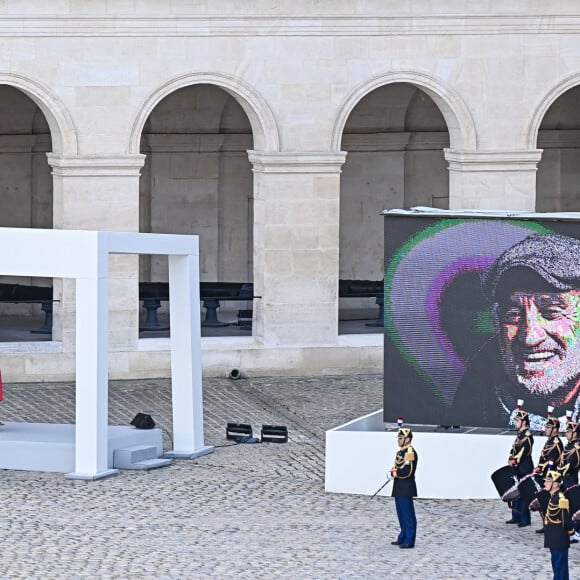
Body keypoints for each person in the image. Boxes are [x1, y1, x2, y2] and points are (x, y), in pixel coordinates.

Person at [451, 233, 580, 429]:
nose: (530, 337)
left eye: (551, 312)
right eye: (513, 315)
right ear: (497, 322)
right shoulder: (474, 395)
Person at [534, 406, 564, 534]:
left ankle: (551, 525)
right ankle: (546, 524)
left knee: (549, 502)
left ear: (555, 429)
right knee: (544, 501)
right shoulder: (549, 441)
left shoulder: (556, 443)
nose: (546, 429)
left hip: (551, 476)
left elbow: (552, 460)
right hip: (544, 474)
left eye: (548, 428)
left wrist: (541, 468)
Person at [390, 419, 418, 549]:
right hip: (399, 487)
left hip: (406, 486)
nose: (398, 440)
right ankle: (403, 536)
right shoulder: (401, 452)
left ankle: (409, 539)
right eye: (399, 438)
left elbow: (408, 470)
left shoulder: (410, 452)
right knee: (401, 514)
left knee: (407, 514)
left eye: (401, 438)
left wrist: (396, 473)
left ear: (407, 439)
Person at [506, 401, 534, 527]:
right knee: (516, 493)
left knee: (524, 494)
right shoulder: (519, 435)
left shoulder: (527, 436)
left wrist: (514, 460)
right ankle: (516, 516)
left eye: (518, 421)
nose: (516, 423)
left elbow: (523, 451)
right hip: (517, 468)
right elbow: (514, 449)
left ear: (524, 422)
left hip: (524, 468)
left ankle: (525, 519)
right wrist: (510, 458)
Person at [543, 467, 574, 580]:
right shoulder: (552, 497)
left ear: (555, 484)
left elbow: (565, 519)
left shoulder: (560, 498)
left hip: (559, 536)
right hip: (553, 536)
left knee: (560, 565)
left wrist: (571, 531)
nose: (545, 483)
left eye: (548, 481)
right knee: (556, 563)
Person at [558, 412, 580, 541]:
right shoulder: (569, 446)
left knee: (574, 506)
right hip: (565, 479)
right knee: (566, 506)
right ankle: (570, 529)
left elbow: (570, 464)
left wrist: (559, 473)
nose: (566, 433)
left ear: (575, 433)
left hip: (570, 479)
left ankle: (576, 531)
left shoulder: (576, 447)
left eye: (569, 431)